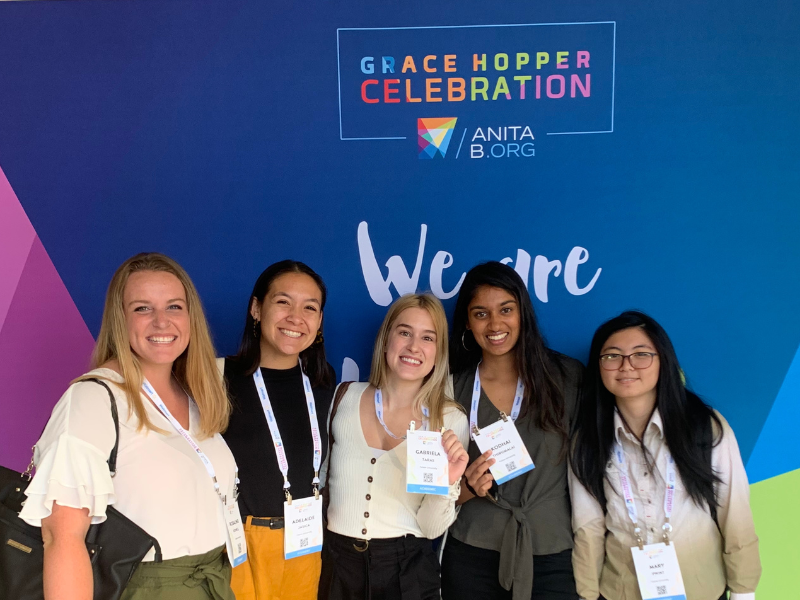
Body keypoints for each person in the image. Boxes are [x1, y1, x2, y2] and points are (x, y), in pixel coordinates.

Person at [19, 252, 240, 600]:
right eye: (142, 308)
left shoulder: (194, 394)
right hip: (145, 588)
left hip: (212, 581)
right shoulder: (93, 400)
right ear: (120, 320)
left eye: (174, 307)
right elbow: (61, 537)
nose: (161, 322)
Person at [569, 310, 761, 600]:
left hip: (701, 589)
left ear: (663, 361)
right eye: (612, 356)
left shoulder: (703, 426)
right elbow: (588, 526)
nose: (626, 366)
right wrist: (586, 593)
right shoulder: (587, 438)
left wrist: (744, 591)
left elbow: (734, 510)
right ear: (598, 365)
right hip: (621, 591)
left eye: (641, 354)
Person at [441, 261, 583, 600]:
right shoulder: (450, 389)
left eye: (506, 309)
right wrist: (467, 488)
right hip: (472, 553)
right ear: (466, 322)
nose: (495, 324)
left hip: (551, 552)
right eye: (480, 314)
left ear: (524, 313)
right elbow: (431, 490)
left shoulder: (568, 378)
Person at [319, 293, 470, 600]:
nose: (414, 347)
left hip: (407, 570)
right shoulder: (344, 397)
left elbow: (430, 529)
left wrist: (448, 481)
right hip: (337, 565)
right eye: (405, 332)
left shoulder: (450, 419)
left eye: (428, 337)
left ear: (439, 351)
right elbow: (320, 480)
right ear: (386, 338)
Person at [221, 260, 335, 600]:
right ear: (257, 308)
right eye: (283, 302)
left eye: (309, 307)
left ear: (319, 321)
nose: (295, 317)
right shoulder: (216, 378)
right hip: (239, 545)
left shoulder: (323, 381)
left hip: (306, 544)